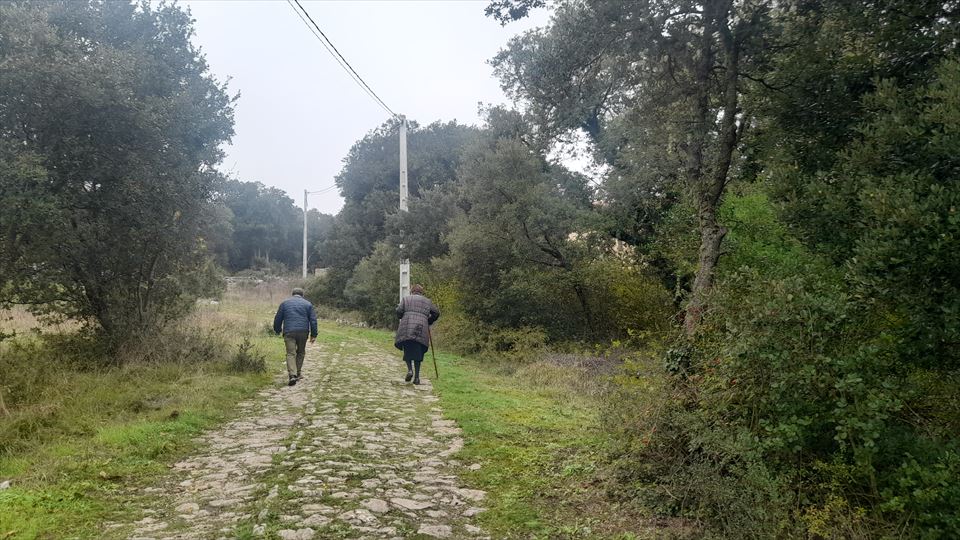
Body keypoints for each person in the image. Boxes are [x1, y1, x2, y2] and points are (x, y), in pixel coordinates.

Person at [394, 284, 440, 385]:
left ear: (412, 291)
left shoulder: (406, 299)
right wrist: (428, 321)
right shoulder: (427, 301)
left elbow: (398, 311)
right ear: (421, 292)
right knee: (418, 352)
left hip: (407, 327)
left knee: (408, 350)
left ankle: (410, 370)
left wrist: (402, 316)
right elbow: (436, 313)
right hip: (421, 328)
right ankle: (417, 378)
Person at [273, 287, 318, 386]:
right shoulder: (308, 304)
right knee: (301, 352)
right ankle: (297, 374)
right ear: (302, 295)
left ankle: (292, 375)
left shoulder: (285, 303)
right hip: (303, 332)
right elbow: (313, 320)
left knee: (290, 353)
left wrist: (277, 330)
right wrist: (313, 334)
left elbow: (278, 318)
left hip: (289, 332)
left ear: (292, 294)